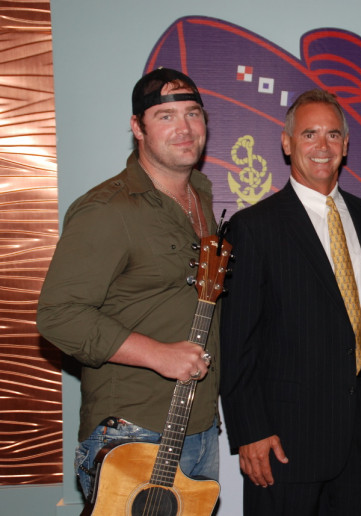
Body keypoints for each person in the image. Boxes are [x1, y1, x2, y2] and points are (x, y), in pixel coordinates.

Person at [36, 68, 220, 499]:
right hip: (133, 431)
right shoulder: (108, 208)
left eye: (193, 114)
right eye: (165, 116)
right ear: (137, 127)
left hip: (200, 427)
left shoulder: (201, 196)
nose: (184, 128)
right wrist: (158, 354)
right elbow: (58, 315)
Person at [219, 89, 361, 515]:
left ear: (346, 145)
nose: (322, 146)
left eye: (333, 135)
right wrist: (250, 430)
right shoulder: (253, 227)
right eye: (309, 134)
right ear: (286, 142)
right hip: (285, 443)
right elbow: (236, 342)